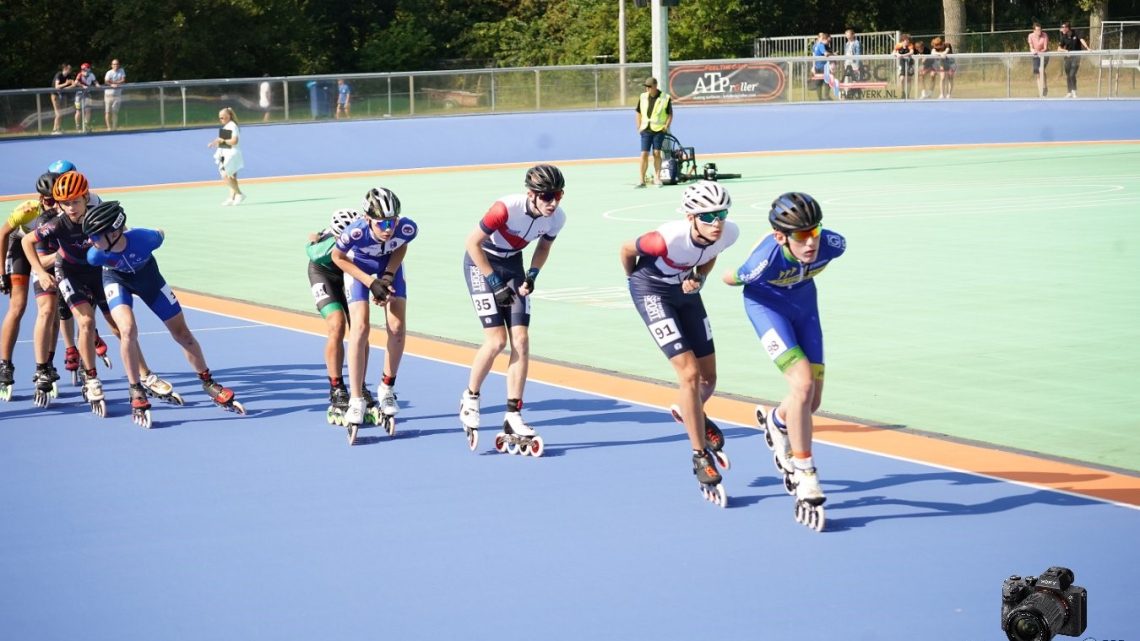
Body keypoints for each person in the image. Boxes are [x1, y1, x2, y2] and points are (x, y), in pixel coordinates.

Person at [721, 192, 846, 529]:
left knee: (811, 401)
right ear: (780, 237)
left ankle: (776, 421)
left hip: (805, 306)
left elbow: (822, 246)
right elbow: (731, 278)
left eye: (814, 232)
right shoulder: (763, 261)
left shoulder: (834, 244)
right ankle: (806, 472)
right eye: (801, 236)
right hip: (767, 308)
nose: (811, 243)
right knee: (802, 384)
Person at [619, 181, 739, 505]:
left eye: (722, 214)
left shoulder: (729, 233)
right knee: (687, 375)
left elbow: (710, 256)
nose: (717, 222)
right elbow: (626, 250)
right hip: (651, 291)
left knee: (708, 378)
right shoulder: (665, 239)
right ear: (690, 217)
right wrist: (636, 282)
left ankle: (692, 411)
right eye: (709, 216)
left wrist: (700, 276)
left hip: (686, 291)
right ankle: (699, 455)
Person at [82, 201, 245, 424]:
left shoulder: (145, 238)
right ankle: (135, 389)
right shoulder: (94, 255)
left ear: (114, 231)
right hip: (116, 280)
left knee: (183, 334)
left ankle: (208, 382)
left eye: (95, 236)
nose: (91, 241)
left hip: (149, 280)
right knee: (127, 330)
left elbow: (161, 233)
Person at [22, 171, 167, 413]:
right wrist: (39, 271)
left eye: (75, 201)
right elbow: (27, 241)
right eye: (65, 203)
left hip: (99, 272)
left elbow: (124, 237)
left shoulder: (98, 218)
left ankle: (146, 375)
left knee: (120, 326)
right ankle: (91, 378)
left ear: (86, 197)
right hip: (68, 272)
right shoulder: (56, 224)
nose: (70, 207)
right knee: (87, 321)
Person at [458, 165, 567, 455]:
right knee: (497, 340)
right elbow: (472, 243)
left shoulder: (557, 218)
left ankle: (513, 414)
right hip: (482, 263)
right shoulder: (505, 208)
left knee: (521, 340)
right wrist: (494, 282)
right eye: (545, 196)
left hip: (514, 267)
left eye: (557, 195)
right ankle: (471, 396)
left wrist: (532, 275)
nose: (552, 202)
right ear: (531, 194)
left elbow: (543, 248)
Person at [330, 188, 417, 440]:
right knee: (359, 328)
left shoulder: (407, 227)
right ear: (368, 219)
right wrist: (371, 283)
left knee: (397, 326)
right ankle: (356, 397)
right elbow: (338, 257)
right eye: (382, 224)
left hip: (388, 269)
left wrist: (388, 275)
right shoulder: (355, 232)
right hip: (359, 270)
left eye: (392, 222)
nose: (389, 229)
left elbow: (401, 246)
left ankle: (386, 388)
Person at [0, 173, 59, 401]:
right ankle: (5, 365)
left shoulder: (64, 213)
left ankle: (46, 364)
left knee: (49, 309)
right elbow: (3, 234)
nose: (49, 205)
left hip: (45, 251)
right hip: (19, 250)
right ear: (39, 198)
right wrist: (1, 273)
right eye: (45, 200)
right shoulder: (27, 210)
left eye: (54, 200)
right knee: (18, 305)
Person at [306, 208, 361, 424]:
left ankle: (360, 385)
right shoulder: (322, 249)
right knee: (337, 325)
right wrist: (313, 239)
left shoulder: (362, 235)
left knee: (359, 327)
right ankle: (337, 387)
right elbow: (310, 247)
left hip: (348, 274)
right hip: (323, 274)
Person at [634, 77, 672, 188]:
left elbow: (670, 114)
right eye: (646, 86)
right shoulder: (643, 97)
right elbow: (638, 112)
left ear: (655, 86)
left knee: (656, 153)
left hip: (658, 130)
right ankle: (641, 179)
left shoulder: (665, 98)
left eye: (649, 87)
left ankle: (657, 178)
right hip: (645, 129)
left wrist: (666, 126)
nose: (647, 88)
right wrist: (638, 126)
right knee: (644, 154)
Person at [207, 107, 246, 206]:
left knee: (225, 175)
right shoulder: (227, 126)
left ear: (229, 116)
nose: (221, 119)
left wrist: (222, 141)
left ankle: (239, 194)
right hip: (226, 153)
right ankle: (231, 198)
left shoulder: (232, 126)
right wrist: (213, 143)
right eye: (220, 118)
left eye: (223, 117)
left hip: (232, 153)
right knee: (231, 176)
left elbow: (234, 141)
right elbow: (221, 138)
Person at [1058, 22, 1091, 98]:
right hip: (1067, 58)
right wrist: (1065, 51)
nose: (1062, 29)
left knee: (1072, 74)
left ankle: (1074, 91)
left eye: (1063, 27)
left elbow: (1082, 40)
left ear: (1068, 28)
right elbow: (1059, 48)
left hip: (1076, 57)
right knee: (1068, 75)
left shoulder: (1076, 32)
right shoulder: (1064, 36)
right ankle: (1069, 92)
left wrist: (1087, 48)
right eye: (1062, 27)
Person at [73, 63, 100, 133]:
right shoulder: (80, 74)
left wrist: (97, 84)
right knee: (78, 111)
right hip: (78, 94)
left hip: (87, 94)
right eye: (82, 69)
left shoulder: (91, 75)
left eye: (85, 69)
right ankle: (78, 126)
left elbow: (95, 81)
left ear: (88, 69)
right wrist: (82, 85)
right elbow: (76, 82)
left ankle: (86, 125)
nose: (83, 70)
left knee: (88, 110)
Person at [50, 64, 75, 135]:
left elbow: (73, 84)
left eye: (70, 70)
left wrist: (66, 88)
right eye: (69, 69)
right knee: (58, 114)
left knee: (62, 113)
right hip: (55, 96)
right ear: (65, 69)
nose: (70, 71)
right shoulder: (59, 75)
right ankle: (54, 130)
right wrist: (66, 83)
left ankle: (58, 128)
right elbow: (57, 86)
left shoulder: (68, 76)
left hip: (62, 95)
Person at [103, 59, 126, 131]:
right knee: (107, 111)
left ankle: (114, 127)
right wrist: (112, 84)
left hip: (117, 95)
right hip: (108, 95)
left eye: (117, 64)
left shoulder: (121, 71)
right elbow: (106, 81)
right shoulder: (109, 72)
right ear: (111, 65)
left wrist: (115, 83)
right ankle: (108, 128)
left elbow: (123, 80)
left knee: (115, 112)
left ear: (119, 65)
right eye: (114, 64)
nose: (115, 65)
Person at [1029, 22, 1050, 97]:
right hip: (1036, 55)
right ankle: (1041, 92)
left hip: (1044, 54)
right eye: (1037, 30)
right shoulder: (1030, 36)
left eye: (1040, 30)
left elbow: (1045, 47)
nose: (1039, 31)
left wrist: (1040, 52)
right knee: (1037, 73)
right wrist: (1033, 51)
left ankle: (1045, 87)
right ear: (1034, 30)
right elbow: (1031, 46)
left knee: (1041, 69)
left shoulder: (1044, 35)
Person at [811, 32, 833, 100]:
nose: (827, 41)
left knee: (818, 83)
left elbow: (813, 56)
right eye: (825, 39)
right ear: (821, 38)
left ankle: (820, 98)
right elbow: (825, 54)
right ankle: (826, 96)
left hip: (817, 66)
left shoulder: (814, 45)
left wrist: (813, 66)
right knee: (827, 82)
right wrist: (833, 54)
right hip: (823, 67)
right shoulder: (821, 45)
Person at [894, 34, 915, 98]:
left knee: (909, 79)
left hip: (909, 63)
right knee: (902, 78)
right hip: (902, 63)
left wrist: (903, 55)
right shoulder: (898, 45)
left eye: (908, 40)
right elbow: (893, 52)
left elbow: (911, 52)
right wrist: (897, 54)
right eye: (907, 40)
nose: (908, 41)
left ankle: (908, 94)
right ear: (903, 40)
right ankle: (903, 92)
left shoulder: (910, 45)